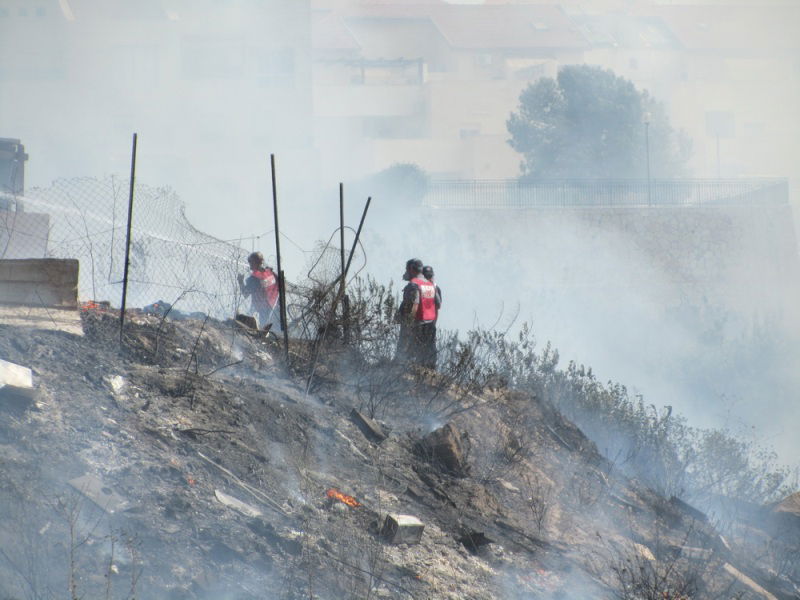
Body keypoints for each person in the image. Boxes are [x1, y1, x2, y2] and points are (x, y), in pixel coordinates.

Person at [396, 258, 437, 367]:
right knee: (426, 357)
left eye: (406, 269)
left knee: (407, 357)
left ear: (411, 269)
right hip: (430, 325)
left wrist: (408, 324)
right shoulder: (429, 284)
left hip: (417, 326)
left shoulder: (413, 285)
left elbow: (414, 304)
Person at [237, 251, 282, 332]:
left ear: (256, 262)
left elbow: (245, 294)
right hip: (272, 304)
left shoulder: (254, 278)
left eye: (251, 261)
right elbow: (280, 282)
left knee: (257, 325)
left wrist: (240, 281)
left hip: (260, 305)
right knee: (263, 325)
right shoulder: (270, 272)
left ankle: (257, 335)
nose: (249, 263)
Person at [421, 265, 441, 368]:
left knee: (428, 345)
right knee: (428, 345)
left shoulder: (434, 288)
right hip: (428, 322)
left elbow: (437, 306)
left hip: (426, 322)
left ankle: (430, 366)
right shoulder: (434, 287)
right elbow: (438, 306)